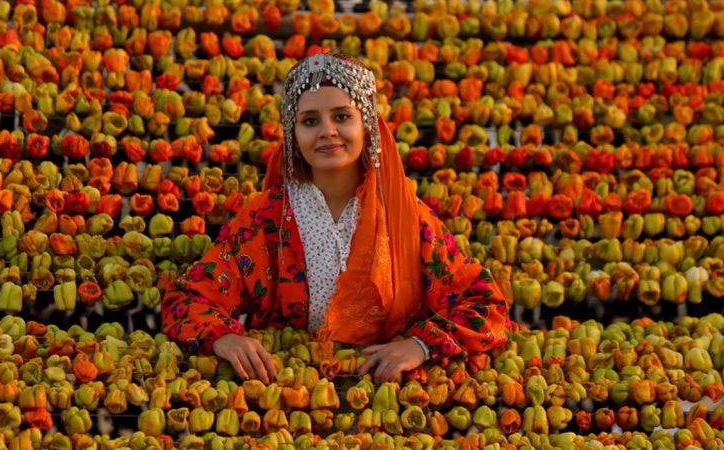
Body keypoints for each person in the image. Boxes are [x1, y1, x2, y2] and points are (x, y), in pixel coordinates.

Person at [161, 52, 511, 384]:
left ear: (368, 127)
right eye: (310, 121)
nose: (327, 131)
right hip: (283, 402)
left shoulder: (406, 216)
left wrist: (419, 346)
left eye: (342, 117)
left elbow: (486, 305)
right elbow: (187, 299)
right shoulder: (264, 218)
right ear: (293, 135)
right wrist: (224, 338)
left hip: (388, 404)